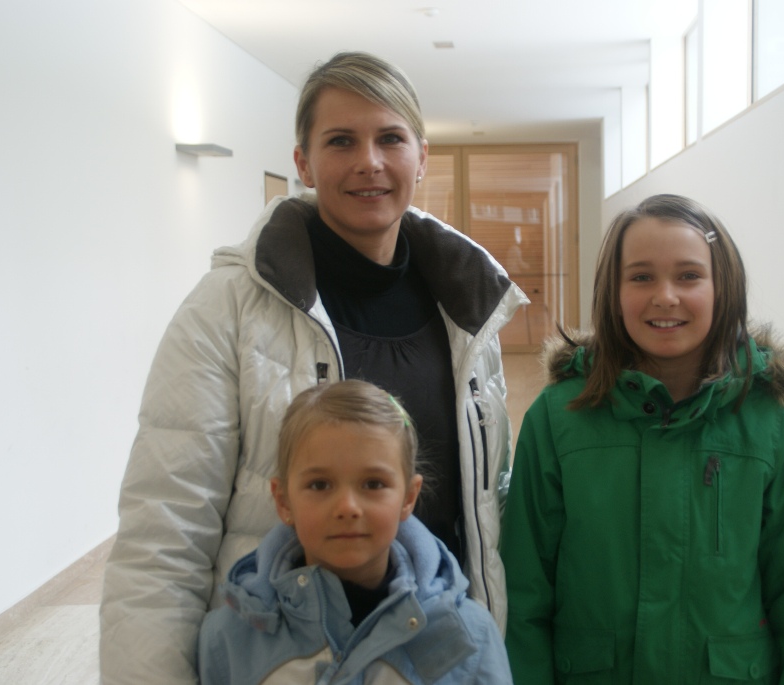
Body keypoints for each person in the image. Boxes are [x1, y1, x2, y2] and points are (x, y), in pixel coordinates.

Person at [100, 51, 525, 684]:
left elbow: (485, 511)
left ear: (421, 157)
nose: (369, 162)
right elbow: (164, 532)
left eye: (390, 139)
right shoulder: (227, 309)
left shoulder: (468, 312)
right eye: (340, 141)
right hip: (279, 658)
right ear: (303, 162)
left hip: (430, 656)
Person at [500, 194, 784, 683]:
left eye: (689, 276)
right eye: (641, 277)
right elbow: (524, 596)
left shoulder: (774, 423)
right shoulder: (558, 418)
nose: (665, 296)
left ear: (723, 287)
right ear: (613, 292)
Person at [197, 380, 512, 684]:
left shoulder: (469, 638)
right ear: (283, 501)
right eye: (320, 485)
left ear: (408, 498)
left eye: (373, 484)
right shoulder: (228, 640)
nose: (347, 507)